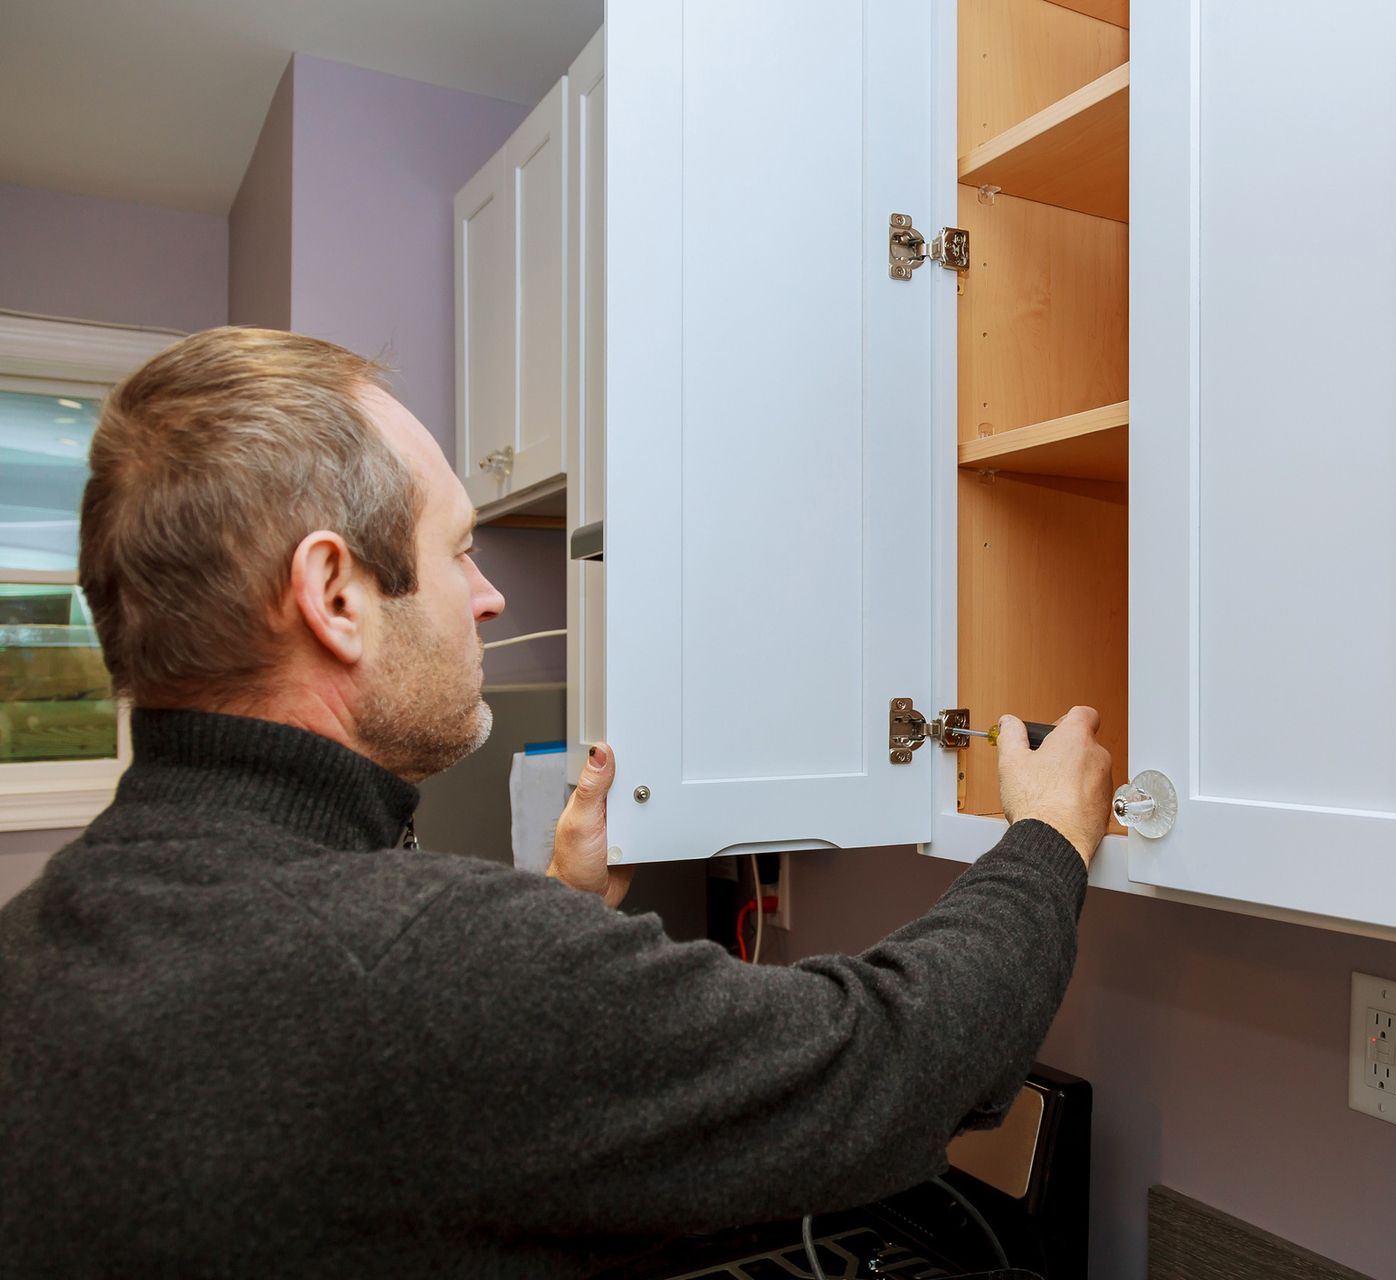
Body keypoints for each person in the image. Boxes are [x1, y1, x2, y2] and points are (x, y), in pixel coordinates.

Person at [0, 327, 1113, 1276]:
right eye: (460, 549)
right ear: (334, 593)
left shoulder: (41, 937)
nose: (486, 599)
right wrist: (1048, 836)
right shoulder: (427, 965)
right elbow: (893, 1060)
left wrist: (554, 924)